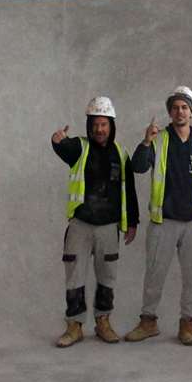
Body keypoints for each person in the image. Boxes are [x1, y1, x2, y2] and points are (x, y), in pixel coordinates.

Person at [49, 96, 146, 347]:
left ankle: (103, 321)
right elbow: (62, 146)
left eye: (104, 124)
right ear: (89, 125)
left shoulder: (121, 154)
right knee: (74, 276)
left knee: (107, 276)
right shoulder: (79, 148)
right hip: (81, 225)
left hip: (108, 227)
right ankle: (74, 325)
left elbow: (130, 191)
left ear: (111, 126)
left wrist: (132, 222)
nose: (99, 129)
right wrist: (55, 139)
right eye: (95, 124)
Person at [124, 86, 192, 346]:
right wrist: (145, 142)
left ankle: (187, 323)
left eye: (184, 107)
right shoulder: (159, 139)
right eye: (175, 107)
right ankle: (148, 322)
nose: (180, 112)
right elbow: (137, 167)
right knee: (154, 273)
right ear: (170, 112)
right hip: (162, 223)